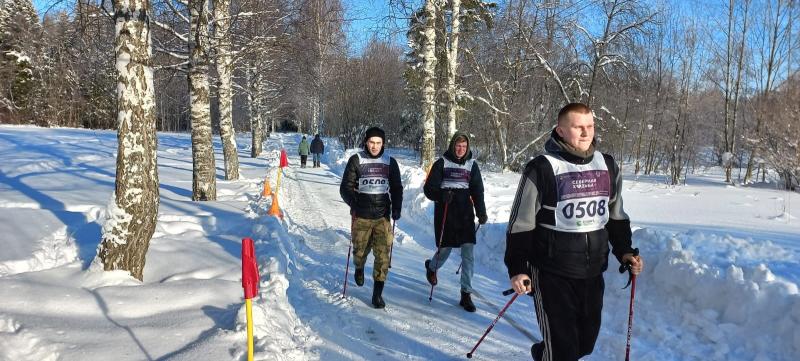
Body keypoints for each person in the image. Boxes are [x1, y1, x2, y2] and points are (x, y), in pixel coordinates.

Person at [505, 103, 644, 361]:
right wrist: (517, 267)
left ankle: (544, 353)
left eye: (590, 126)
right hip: (551, 273)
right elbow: (521, 224)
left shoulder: (608, 166)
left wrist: (625, 251)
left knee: (584, 345)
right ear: (560, 130)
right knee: (563, 352)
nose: (585, 132)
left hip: (592, 273)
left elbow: (615, 217)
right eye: (577, 127)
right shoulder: (541, 168)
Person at [422, 132, 487, 312]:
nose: (461, 149)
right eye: (458, 146)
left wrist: (481, 211)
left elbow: (477, 190)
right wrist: (442, 195)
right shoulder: (441, 163)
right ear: (452, 146)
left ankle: (466, 294)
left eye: (464, 146)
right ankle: (432, 267)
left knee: (468, 254)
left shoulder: (472, 165)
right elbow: (428, 189)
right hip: (446, 210)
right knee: (445, 250)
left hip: (465, 212)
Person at [340, 127, 403, 309]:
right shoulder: (356, 160)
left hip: (383, 216)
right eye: (371, 142)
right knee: (360, 251)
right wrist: (354, 203)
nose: (375, 146)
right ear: (366, 142)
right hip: (362, 216)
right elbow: (345, 187)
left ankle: (377, 294)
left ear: (383, 143)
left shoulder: (390, 162)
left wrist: (397, 208)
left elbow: (397, 187)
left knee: (383, 256)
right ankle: (359, 268)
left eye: (378, 143)